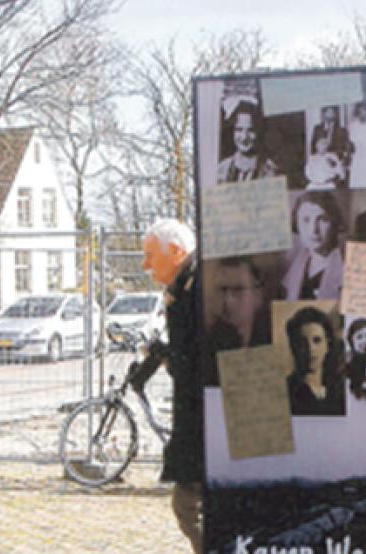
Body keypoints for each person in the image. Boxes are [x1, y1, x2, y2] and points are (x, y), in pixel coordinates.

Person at [141, 218, 203, 554]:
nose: (145, 264)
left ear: (177, 252)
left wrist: (171, 359)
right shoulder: (185, 286)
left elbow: (197, 359)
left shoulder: (196, 287)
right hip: (199, 424)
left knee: (189, 508)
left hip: (204, 425)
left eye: (151, 255)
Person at [282, 191, 345, 301]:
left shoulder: (346, 268)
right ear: (296, 224)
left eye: (323, 220)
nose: (313, 230)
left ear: (335, 223)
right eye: (306, 220)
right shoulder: (295, 268)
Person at [285, 306, 345, 416]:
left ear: (328, 345)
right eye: (302, 343)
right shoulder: (287, 392)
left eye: (317, 340)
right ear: (293, 347)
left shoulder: (340, 389)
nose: (311, 349)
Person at [207, 255, 274, 351]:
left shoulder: (274, 337)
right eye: (223, 290)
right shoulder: (205, 342)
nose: (228, 301)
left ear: (257, 295)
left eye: (238, 290)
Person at [217, 100, 277, 183]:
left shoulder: (268, 170)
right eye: (239, 129)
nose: (244, 137)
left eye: (251, 130)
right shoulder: (222, 169)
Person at [309, 105, 352, 172]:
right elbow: (313, 148)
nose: (330, 115)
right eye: (328, 112)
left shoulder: (342, 130)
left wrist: (344, 163)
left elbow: (347, 149)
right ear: (323, 114)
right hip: (321, 165)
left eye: (332, 112)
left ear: (335, 114)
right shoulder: (317, 129)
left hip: (336, 165)